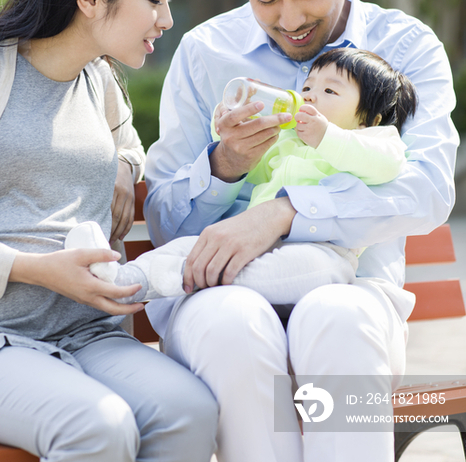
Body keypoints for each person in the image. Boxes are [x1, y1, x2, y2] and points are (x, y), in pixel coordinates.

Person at [144, 0, 458, 462]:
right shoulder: (207, 53)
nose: (289, 18)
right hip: (218, 299)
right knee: (236, 326)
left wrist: (288, 209)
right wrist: (224, 166)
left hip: (355, 295)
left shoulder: (406, 46)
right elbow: (163, 225)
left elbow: (426, 189)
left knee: (336, 319)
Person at [0, 0, 218, 462]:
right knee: (98, 431)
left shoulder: (100, 81)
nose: (167, 19)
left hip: (88, 332)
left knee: (187, 412)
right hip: (5, 339)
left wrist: (123, 165)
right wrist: (38, 270)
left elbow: (126, 146)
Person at [89, 47, 417, 307]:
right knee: (196, 246)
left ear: (368, 119)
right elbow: (253, 171)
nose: (310, 96)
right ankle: (122, 279)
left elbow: (386, 165)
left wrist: (326, 136)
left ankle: (194, 277)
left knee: (302, 266)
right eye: (307, 87)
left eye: (330, 91)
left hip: (325, 253)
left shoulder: (374, 140)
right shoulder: (287, 141)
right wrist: (234, 142)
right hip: (256, 243)